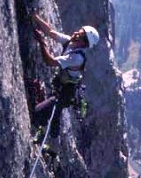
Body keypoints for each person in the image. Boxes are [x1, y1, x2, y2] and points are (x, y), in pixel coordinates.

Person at [32, 12, 99, 154]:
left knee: (38, 113)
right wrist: (35, 17)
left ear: (84, 42)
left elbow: (49, 62)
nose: (76, 33)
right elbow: (50, 31)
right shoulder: (71, 43)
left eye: (80, 34)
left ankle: (43, 133)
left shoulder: (77, 58)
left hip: (65, 94)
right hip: (62, 87)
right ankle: (54, 149)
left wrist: (42, 42)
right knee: (54, 116)